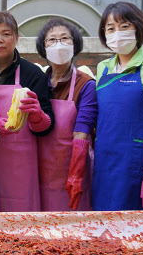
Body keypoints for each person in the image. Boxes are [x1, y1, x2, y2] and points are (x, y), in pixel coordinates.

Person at [0, 11, 54, 212]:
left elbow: (47, 127)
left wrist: (37, 116)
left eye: (6, 34)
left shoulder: (32, 73)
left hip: (20, 163)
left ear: (16, 38)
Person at [93, 2, 143, 210]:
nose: (117, 33)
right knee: (105, 231)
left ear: (138, 27)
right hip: (105, 165)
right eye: (110, 28)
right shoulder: (103, 68)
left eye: (124, 26)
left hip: (141, 166)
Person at [35, 18, 97, 211]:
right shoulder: (38, 82)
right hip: (40, 171)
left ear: (75, 44)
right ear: (43, 48)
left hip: (72, 169)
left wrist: (75, 175)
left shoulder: (85, 84)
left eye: (65, 38)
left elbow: (82, 132)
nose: (58, 44)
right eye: (51, 40)